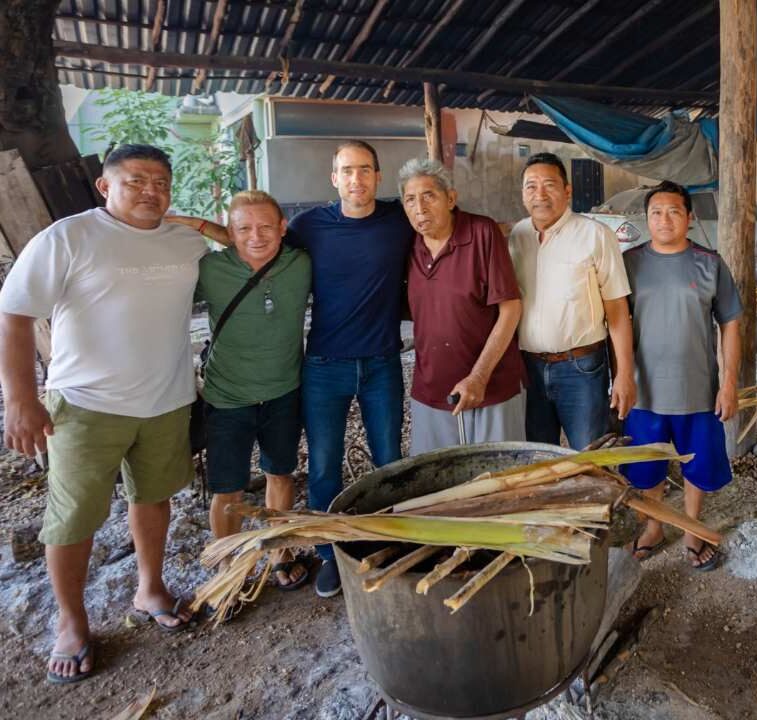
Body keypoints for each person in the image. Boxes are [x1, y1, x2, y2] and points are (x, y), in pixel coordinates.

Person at [170, 141, 414, 598]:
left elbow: (440, 226)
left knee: (389, 461)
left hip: (382, 361)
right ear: (333, 178)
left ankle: (389, 543)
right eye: (347, 170)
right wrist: (198, 225)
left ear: (379, 177)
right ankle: (328, 554)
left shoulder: (399, 219)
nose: (356, 179)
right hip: (322, 366)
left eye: (365, 170)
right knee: (323, 467)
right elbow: (255, 241)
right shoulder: (309, 226)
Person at [0, 144, 207, 684]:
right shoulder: (68, 237)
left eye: (160, 181)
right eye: (135, 180)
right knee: (73, 518)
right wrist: (20, 397)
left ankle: (150, 586)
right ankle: (71, 621)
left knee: (153, 496)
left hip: (166, 399)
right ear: (104, 186)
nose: (150, 190)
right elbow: (15, 313)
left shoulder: (186, 242)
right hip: (86, 405)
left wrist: (191, 219)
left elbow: (245, 239)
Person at [620, 181, 742, 572]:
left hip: (697, 389)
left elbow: (731, 325)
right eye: (656, 212)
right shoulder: (629, 263)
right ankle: (654, 527)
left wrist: (728, 384)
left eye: (674, 211)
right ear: (647, 219)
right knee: (646, 467)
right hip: (644, 390)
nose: (665, 219)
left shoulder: (710, 263)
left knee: (698, 465)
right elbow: (615, 324)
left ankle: (691, 529)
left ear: (690, 218)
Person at [193, 191, 311, 593]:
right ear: (230, 232)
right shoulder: (209, 269)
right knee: (228, 487)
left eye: (265, 227)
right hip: (227, 398)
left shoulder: (301, 264)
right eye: (243, 229)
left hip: (284, 391)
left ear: (282, 228)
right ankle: (227, 562)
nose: (255, 236)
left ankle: (278, 550)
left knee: (281, 472)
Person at [507, 153, 636, 449]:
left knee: (589, 457)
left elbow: (617, 312)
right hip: (530, 369)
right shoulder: (518, 235)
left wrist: (624, 375)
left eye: (549, 185)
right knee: (538, 458)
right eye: (531, 186)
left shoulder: (595, 235)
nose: (540, 194)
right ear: (523, 194)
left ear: (567, 191)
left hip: (581, 369)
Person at [397, 159, 525, 453]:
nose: (420, 207)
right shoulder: (408, 247)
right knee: (436, 485)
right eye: (410, 199)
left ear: (451, 198)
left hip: (492, 388)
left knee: (498, 482)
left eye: (429, 195)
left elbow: (511, 309)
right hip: (430, 389)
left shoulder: (482, 232)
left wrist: (479, 377)